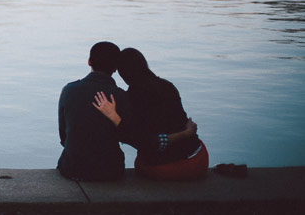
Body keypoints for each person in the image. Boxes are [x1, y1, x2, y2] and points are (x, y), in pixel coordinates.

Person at [93, 47, 208, 181]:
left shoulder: (131, 98)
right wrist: (187, 133)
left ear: (122, 73)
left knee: (141, 161)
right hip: (199, 159)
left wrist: (115, 119)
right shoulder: (168, 86)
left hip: (166, 168)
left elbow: (142, 141)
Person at [57, 41, 131, 181]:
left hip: (73, 167)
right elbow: (127, 135)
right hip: (110, 170)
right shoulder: (121, 96)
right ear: (115, 68)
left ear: (89, 61)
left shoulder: (69, 90)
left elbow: (63, 135)